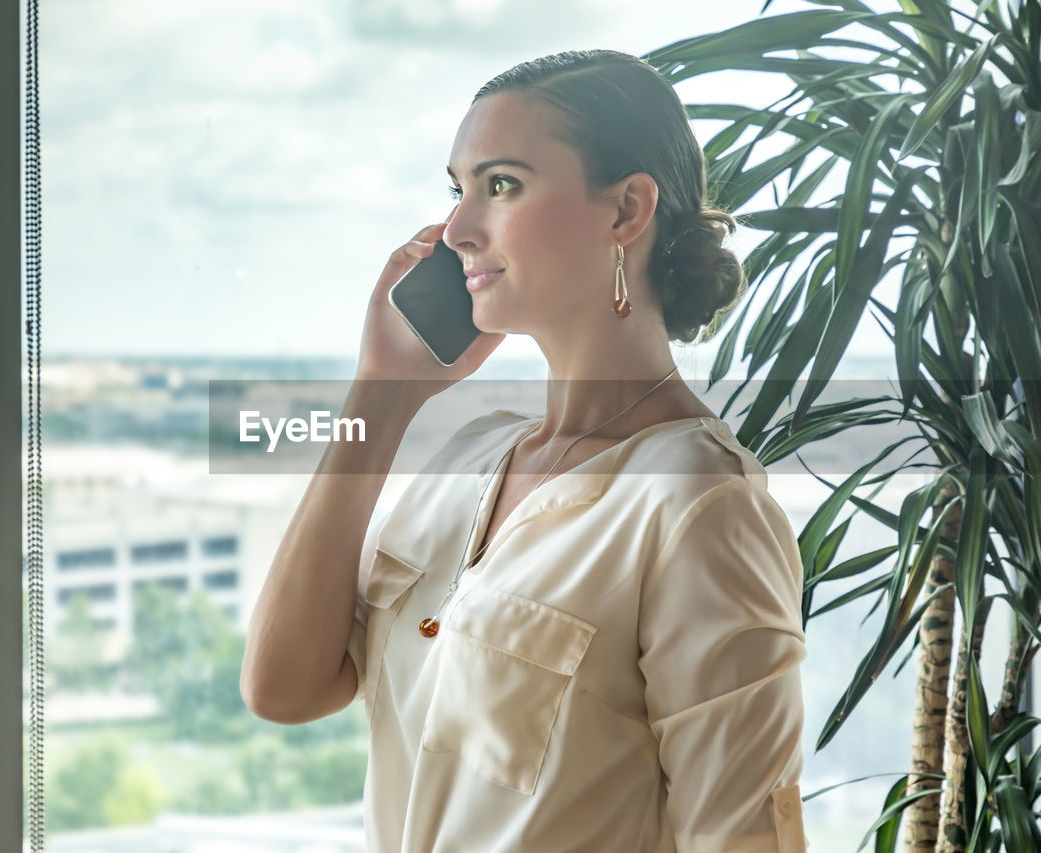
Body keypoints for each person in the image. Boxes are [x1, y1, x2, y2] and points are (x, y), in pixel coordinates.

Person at [241, 49, 808, 853]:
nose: (456, 230)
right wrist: (382, 393)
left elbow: (742, 838)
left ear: (626, 212)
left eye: (501, 184)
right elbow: (283, 686)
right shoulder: (472, 455)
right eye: (457, 188)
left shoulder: (700, 504)